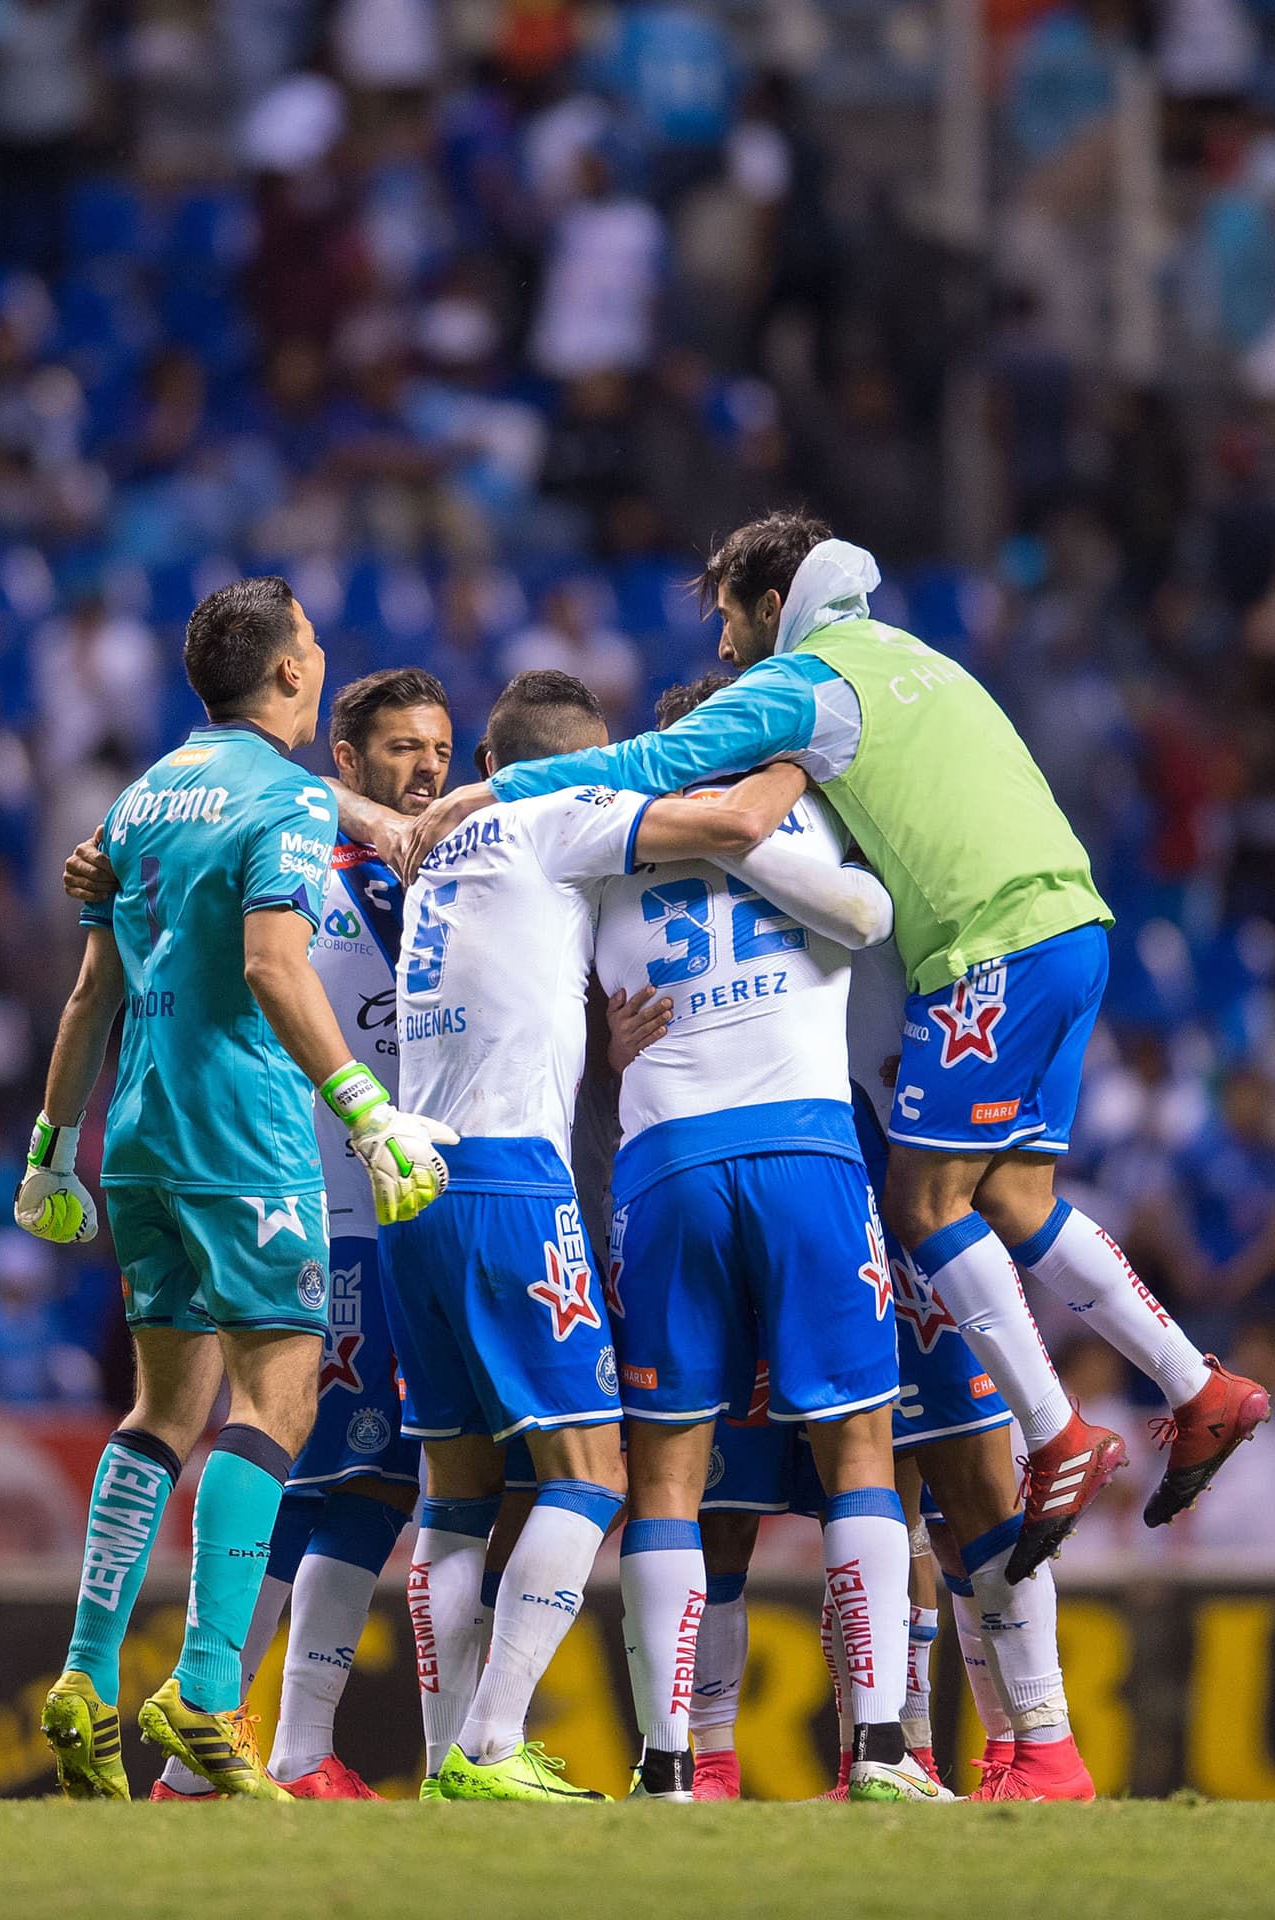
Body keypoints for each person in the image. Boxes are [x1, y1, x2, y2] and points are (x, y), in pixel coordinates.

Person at [412, 511, 1269, 1581]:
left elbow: (654, 758)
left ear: (774, 608)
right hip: (1071, 925)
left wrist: (489, 791)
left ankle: (1053, 1433)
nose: (723, 651)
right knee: (1014, 1200)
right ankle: (1197, 1388)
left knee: (921, 1204)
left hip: (983, 947)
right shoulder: (915, 654)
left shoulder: (802, 680)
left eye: (730, 620)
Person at [16, 577, 454, 1801]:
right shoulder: (281, 800)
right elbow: (273, 962)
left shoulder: (142, 798)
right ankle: (210, 1692)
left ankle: (86, 1676)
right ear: (290, 677)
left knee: (161, 1412)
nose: (320, 658)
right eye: (312, 645)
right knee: (278, 1402)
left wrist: (52, 1148)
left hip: (137, 1134)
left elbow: (90, 992)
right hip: (245, 1135)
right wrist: (365, 1113)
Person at [380, 668, 819, 1802]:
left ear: (483, 759)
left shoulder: (439, 852)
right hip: (509, 1183)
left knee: (456, 1494)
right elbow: (727, 824)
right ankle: (487, 1742)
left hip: (409, 1185)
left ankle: (441, 1765)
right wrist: (802, 751)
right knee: (590, 1475)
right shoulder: (556, 816)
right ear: (587, 758)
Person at [589, 687, 948, 1802]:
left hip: (665, 1163)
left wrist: (606, 1044)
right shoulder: (817, 817)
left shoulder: (605, 837)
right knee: (858, 1450)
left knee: (667, 1474)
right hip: (804, 1148)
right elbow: (868, 921)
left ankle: (666, 1767)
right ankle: (883, 1749)